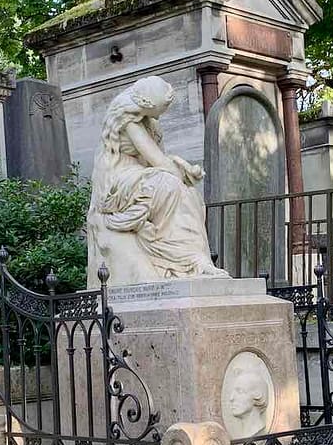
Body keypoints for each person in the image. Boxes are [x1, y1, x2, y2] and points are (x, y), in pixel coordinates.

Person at [87, 76, 229, 287]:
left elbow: (161, 160)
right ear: (148, 104)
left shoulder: (149, 121)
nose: (163, 114)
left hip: (141, 174)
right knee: (168, 186)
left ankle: (196, 261)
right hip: (117, 181)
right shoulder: (129, 122)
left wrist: (183, 167)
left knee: (189, 193)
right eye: (162, 109)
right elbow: (159, 162)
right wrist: (179, 169)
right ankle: (188, 261)